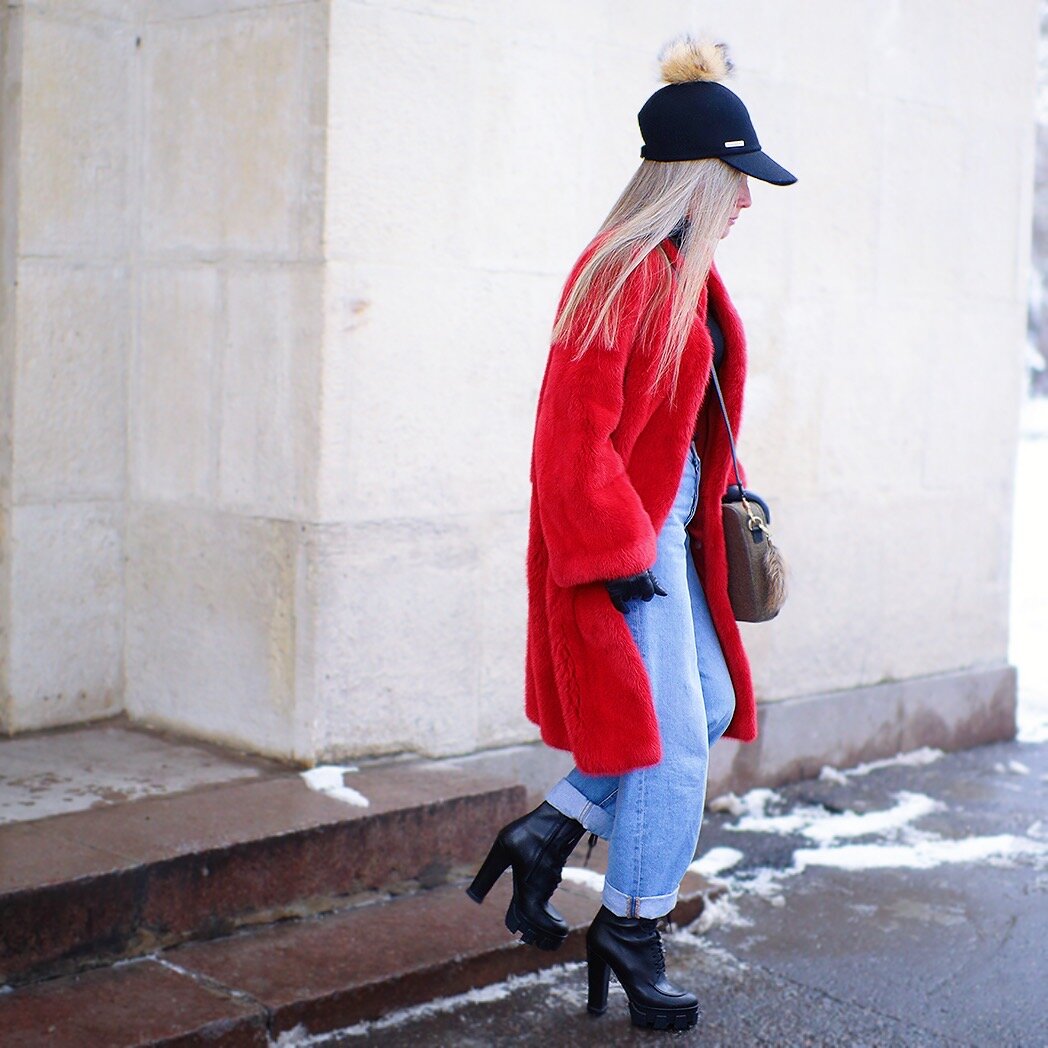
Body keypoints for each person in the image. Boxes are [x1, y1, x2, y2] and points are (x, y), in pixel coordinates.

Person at [467, 37, 795, 1032]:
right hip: (631, 534)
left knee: (708, 703)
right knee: (671, 747)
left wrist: (722, 488)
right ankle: (632, 925)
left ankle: (549, 828)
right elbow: (571, 436)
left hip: (676, 523)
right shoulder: (620, 271)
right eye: (738, 178)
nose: (747, 200)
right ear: (695, 177)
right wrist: (614, 555)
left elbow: (681, 415)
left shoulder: (683, 274)